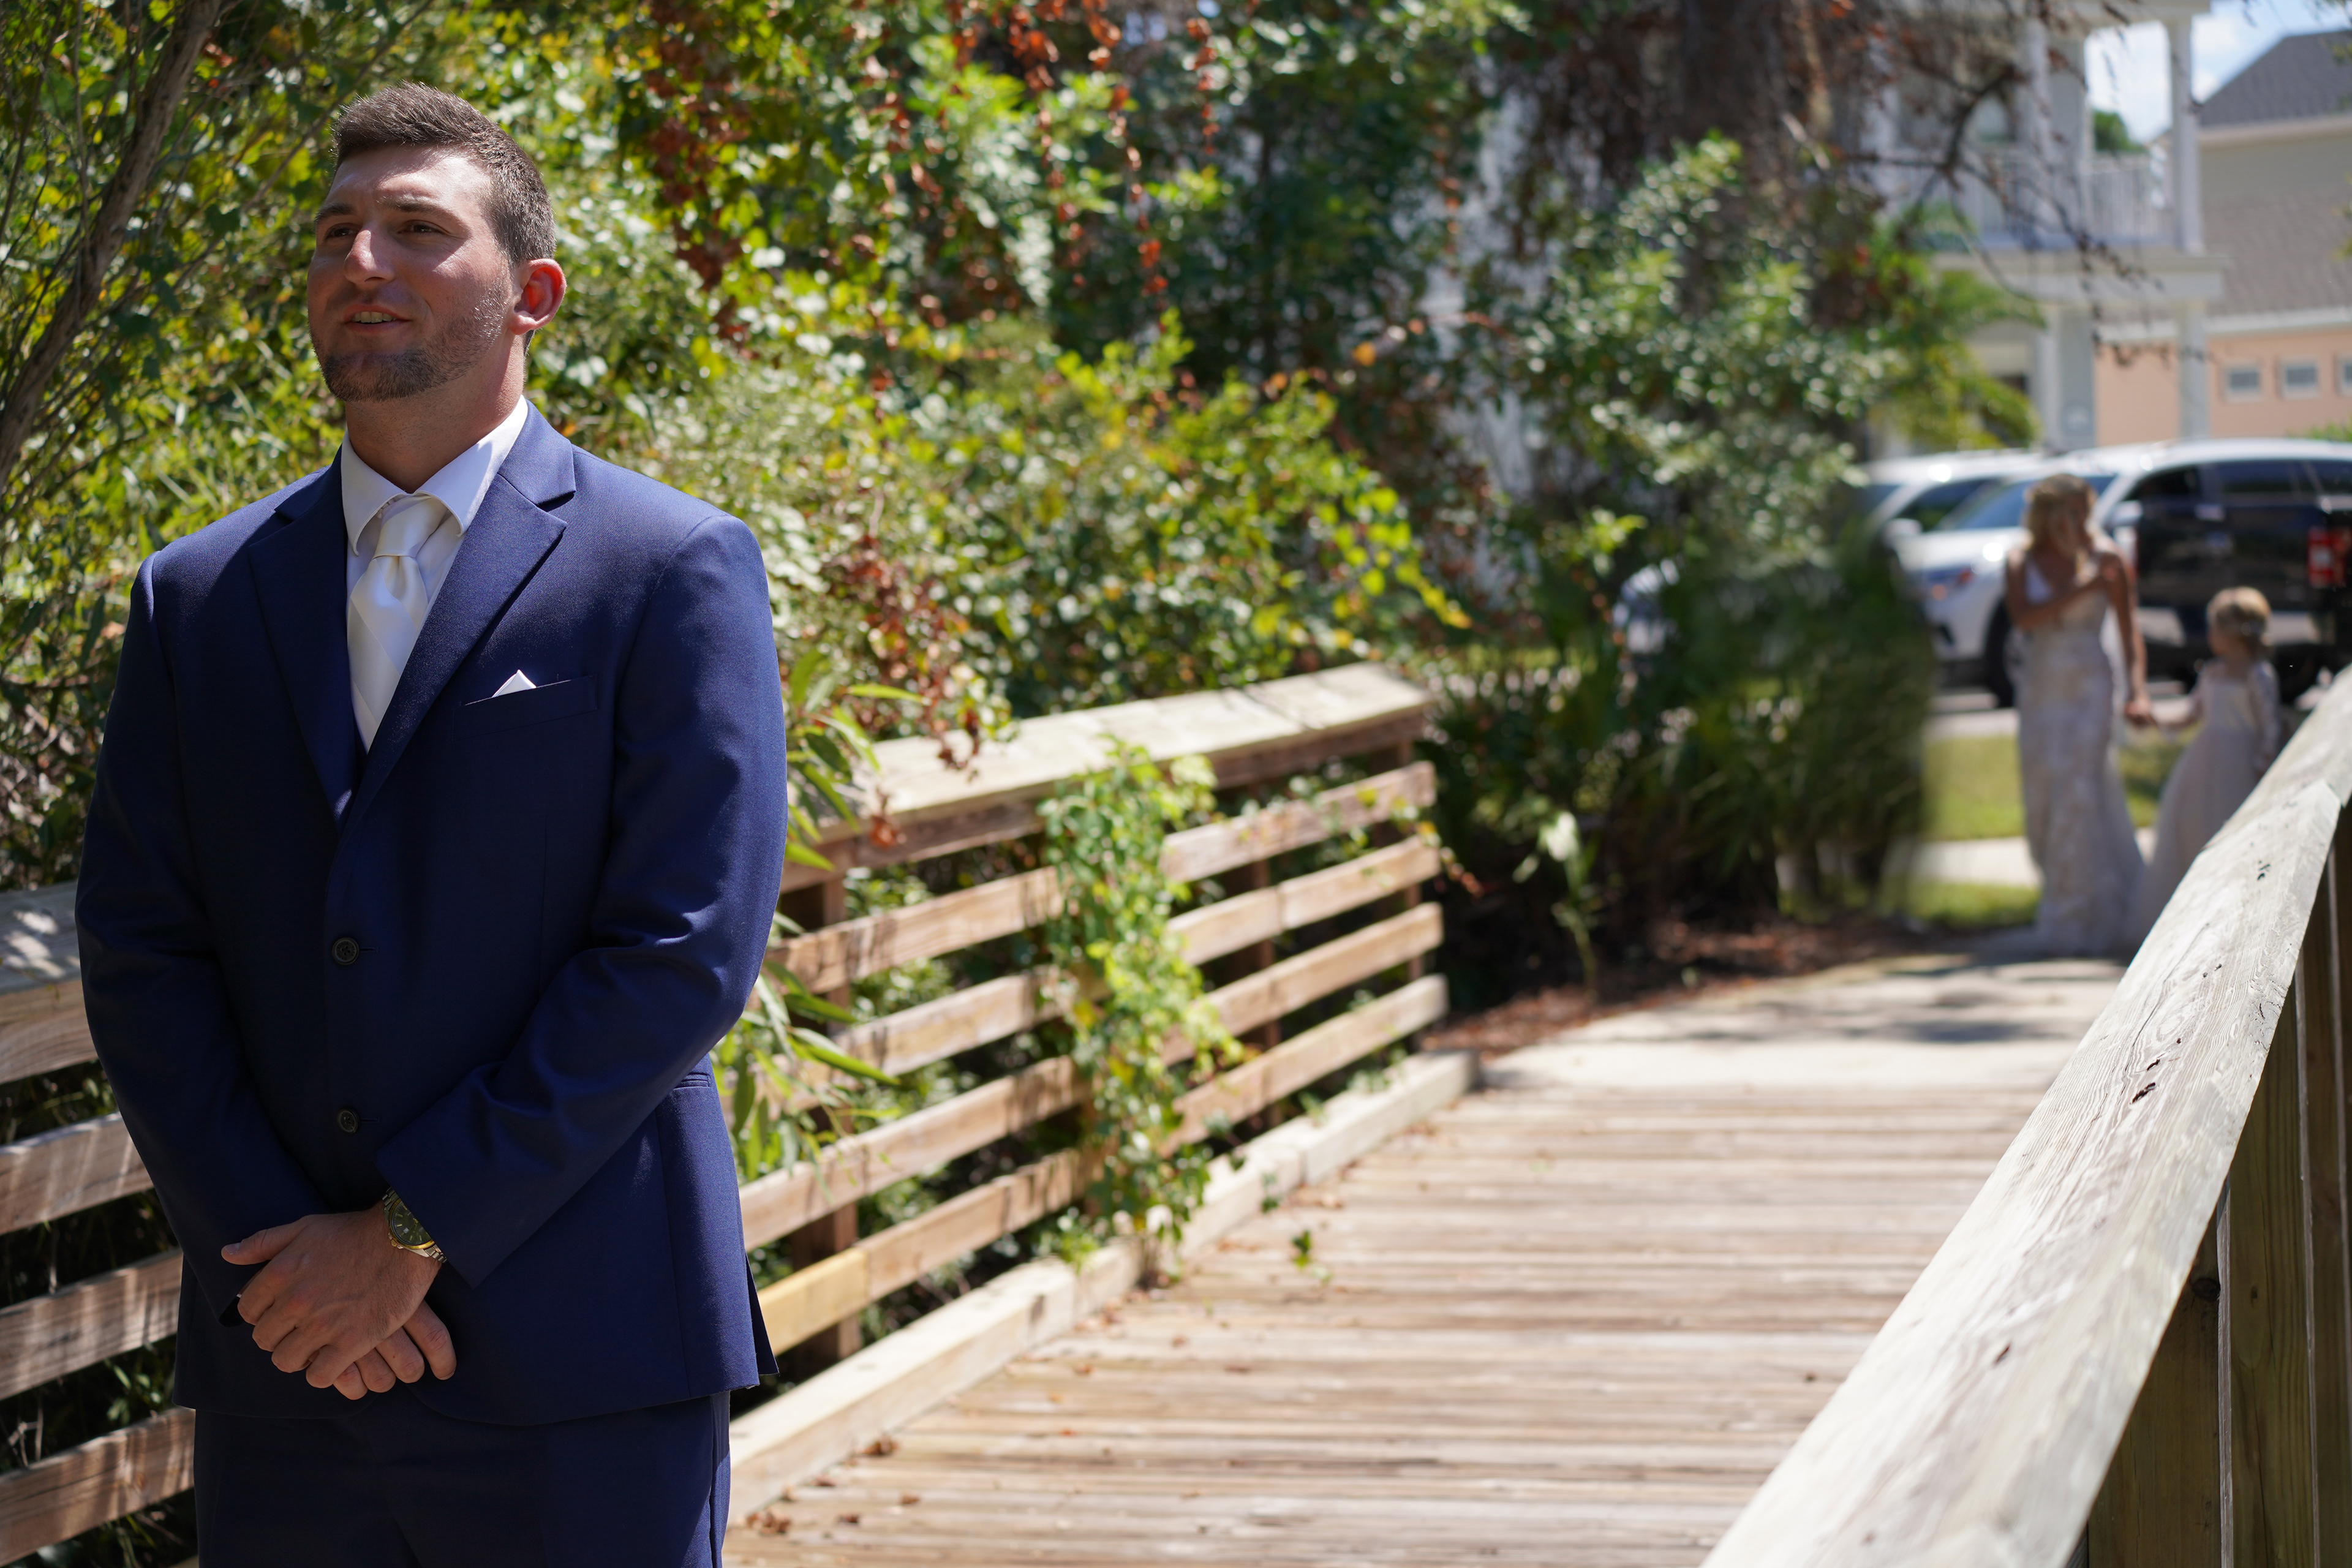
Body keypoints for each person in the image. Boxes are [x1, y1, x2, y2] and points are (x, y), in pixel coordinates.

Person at [72, 85, 788, 1566]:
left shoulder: (666, 566)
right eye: (336, 230)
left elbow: (680, 948)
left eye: (416, 228)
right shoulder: (197, 594)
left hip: (582, 1352)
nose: (361, 260)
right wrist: (285, 1261)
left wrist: (410, 1231)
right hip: (287, 1358)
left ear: (533, 294)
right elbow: (143, 945)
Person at [2003, 472, 2151, 957]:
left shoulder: (2109, 557)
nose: (2076, 520)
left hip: (2091, 683)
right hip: (2043, 687)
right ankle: (2062, 891)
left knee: (2079, 785)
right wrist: (2082, 585)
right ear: (2045, 516)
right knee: (2044, 792)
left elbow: (2129, 630)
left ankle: (2081, 915)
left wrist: (2138, 693)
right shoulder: (2020, 560)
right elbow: (2025, 617)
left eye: (2081, 509)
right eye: (2065, 511)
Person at [2127, 587, 2283, 946]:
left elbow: (2270, 727)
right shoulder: (2212, 673)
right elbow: (2190, 715)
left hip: (2240, 769)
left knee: (2235, 835)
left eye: (2214, 627)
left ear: (2230, 633)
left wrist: (2263, 767)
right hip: (2204, 767)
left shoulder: (2258, 675)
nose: (2209, 634)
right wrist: (2155, 719)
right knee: (2195, 830)